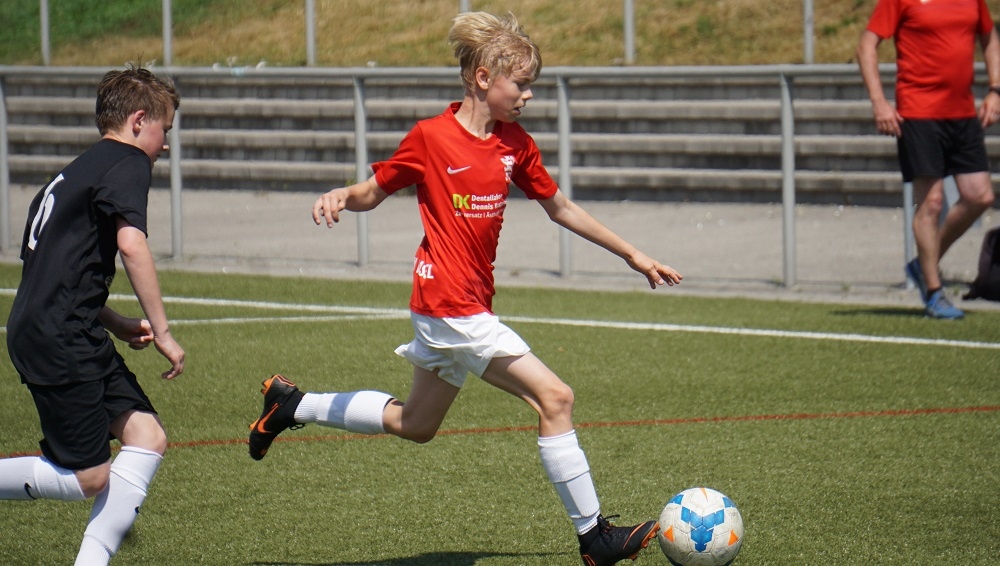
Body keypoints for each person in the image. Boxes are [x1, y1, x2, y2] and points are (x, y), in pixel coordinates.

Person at [248, 11, 680, 566]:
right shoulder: (431, 137)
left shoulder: (515, 144)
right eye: (520, 83)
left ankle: (293, 405)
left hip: (460, 306)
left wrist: (632, 254)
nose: (528, 95)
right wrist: (340, 195)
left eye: (530, 85)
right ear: (483, 78)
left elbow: (560, 207)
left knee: (416, 424)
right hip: (448, 304)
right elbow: (373, 191)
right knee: (556, 398)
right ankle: (594, 536)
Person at [0, 64, 185, 565]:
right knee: (88, 478)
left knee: (147, 437)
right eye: (164, 130)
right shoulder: (129, 161)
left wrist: (117, 322)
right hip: (59, 336)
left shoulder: (72, 174)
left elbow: (60, 275)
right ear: (139, 121)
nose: (165, 145)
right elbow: (132, 245)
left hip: (63, 327)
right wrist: (163, 331)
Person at [857, 0, 999, 319]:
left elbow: (989, 38)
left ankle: (924, 265)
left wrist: (996, 88)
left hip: (962, 113)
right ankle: (934, 292)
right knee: (931, 202)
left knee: (980, 196)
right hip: (918, 112)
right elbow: (866, 46)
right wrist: (879, 102)